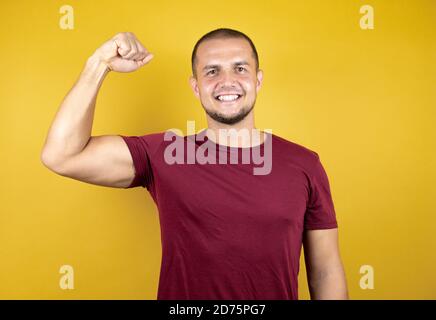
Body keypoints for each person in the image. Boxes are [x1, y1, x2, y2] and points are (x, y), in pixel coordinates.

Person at [41, 28, 348, 300]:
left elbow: (325, 271)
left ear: (258, 79)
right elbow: (61, 155)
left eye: (240, 68)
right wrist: (100, 64)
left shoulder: (304, 164)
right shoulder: (164, 153)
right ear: (196, 86)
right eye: (212, 71)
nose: (227, 82)